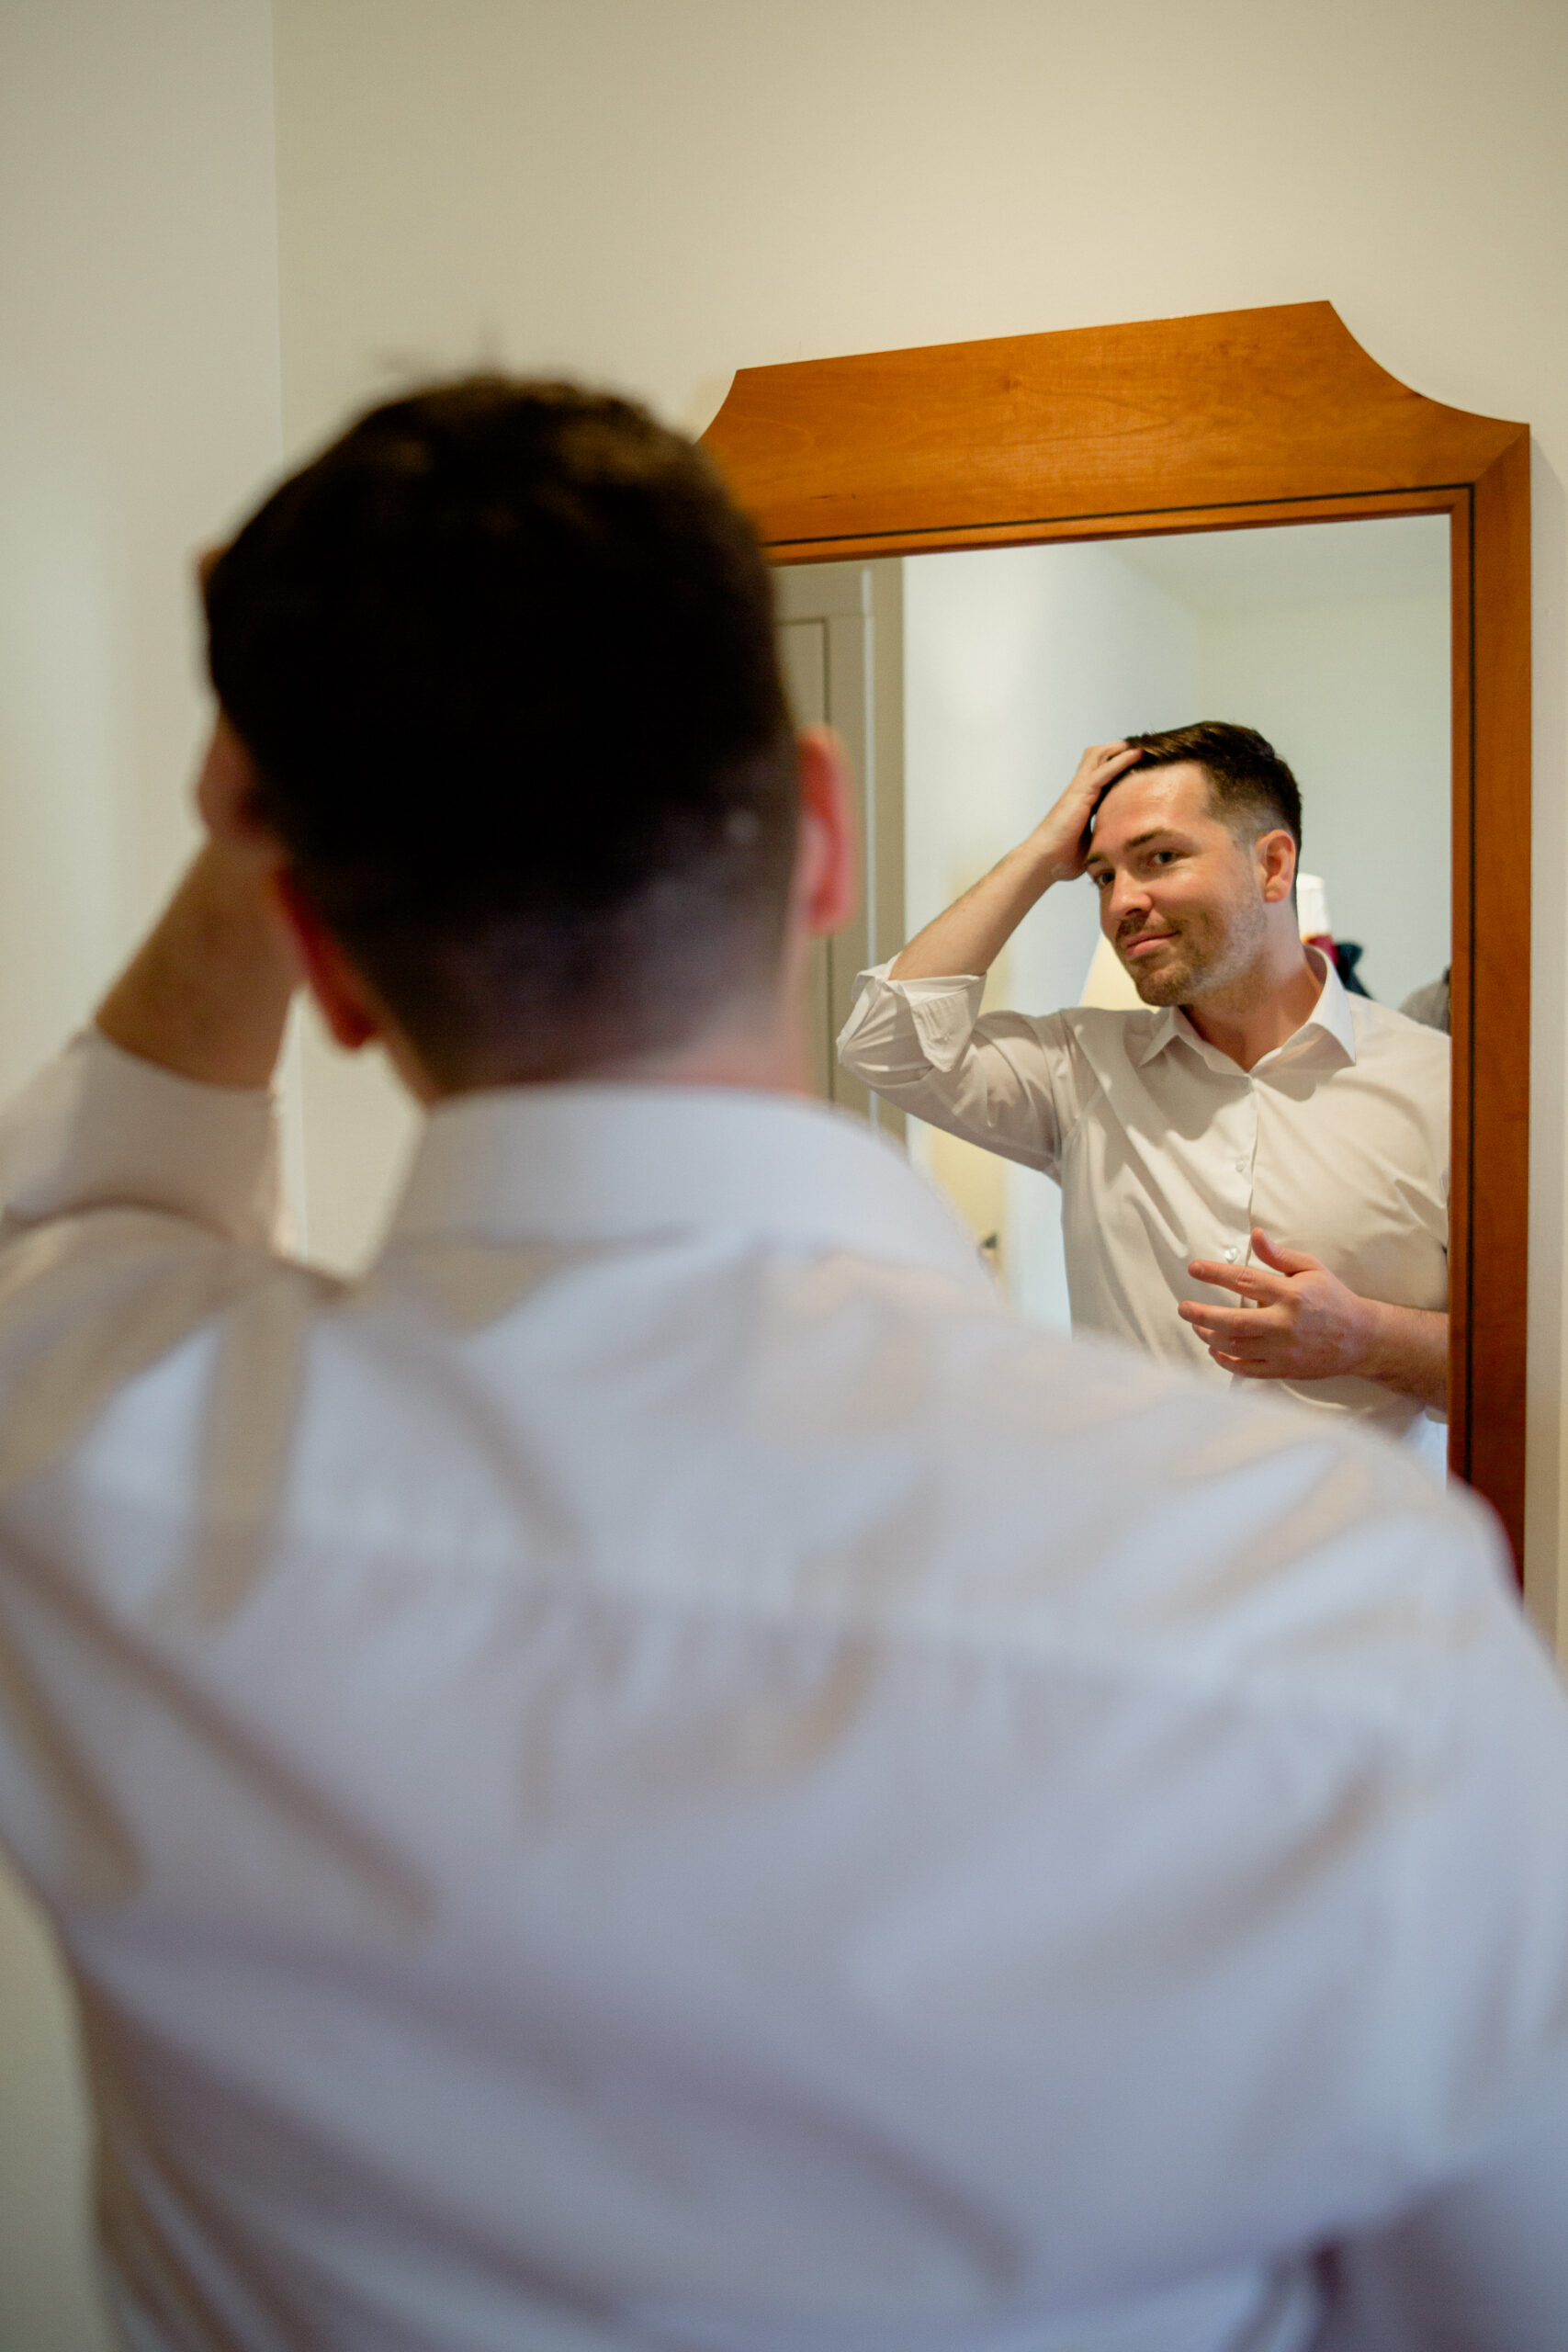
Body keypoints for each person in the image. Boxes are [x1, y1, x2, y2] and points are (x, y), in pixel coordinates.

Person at [0, 382, 1564, 2352]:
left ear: (313, 940)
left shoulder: (98, 1465)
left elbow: (74, 1205)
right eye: (1103, 870)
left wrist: (306, 760)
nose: (1124, 895)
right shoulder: (1349, 1626)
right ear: (820, 837)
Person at [839, 724, 1450, 1447]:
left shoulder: (1443, 1089)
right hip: (1130, 1548)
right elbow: (884, 1043)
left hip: (1352, 1551)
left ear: (1273, 866)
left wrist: (1365, 1339)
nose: (1121, 903)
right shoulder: (1078, 1068)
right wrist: (1040, 855)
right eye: (1102, 876)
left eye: (1159, 858)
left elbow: (1529, 1367)